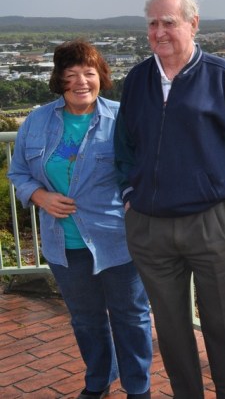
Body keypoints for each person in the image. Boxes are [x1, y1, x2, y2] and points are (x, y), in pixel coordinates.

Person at [113, 0, 225, 398]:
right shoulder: (137, 79)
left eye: (169, 22)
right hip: (149, 227)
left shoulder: (220, 76)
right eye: (152, 24)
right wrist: (129, 197)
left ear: (193, 24)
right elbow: (123, 149)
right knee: (172, 331)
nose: (159, 32)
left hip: (210, 225)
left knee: (224, 327)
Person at [9, 40, 153, 399]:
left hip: (117, 238)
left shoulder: (123, 117)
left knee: (130, 317)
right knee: (86, 320)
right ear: (59, 80)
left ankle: (139, 388)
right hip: (64, 242)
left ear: (101, 77)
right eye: (70, 75)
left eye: (88, 73)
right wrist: (40, 196)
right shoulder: (38, 120)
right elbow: (19, 173)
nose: (80, 82)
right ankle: (98, 381)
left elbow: (148, 170)